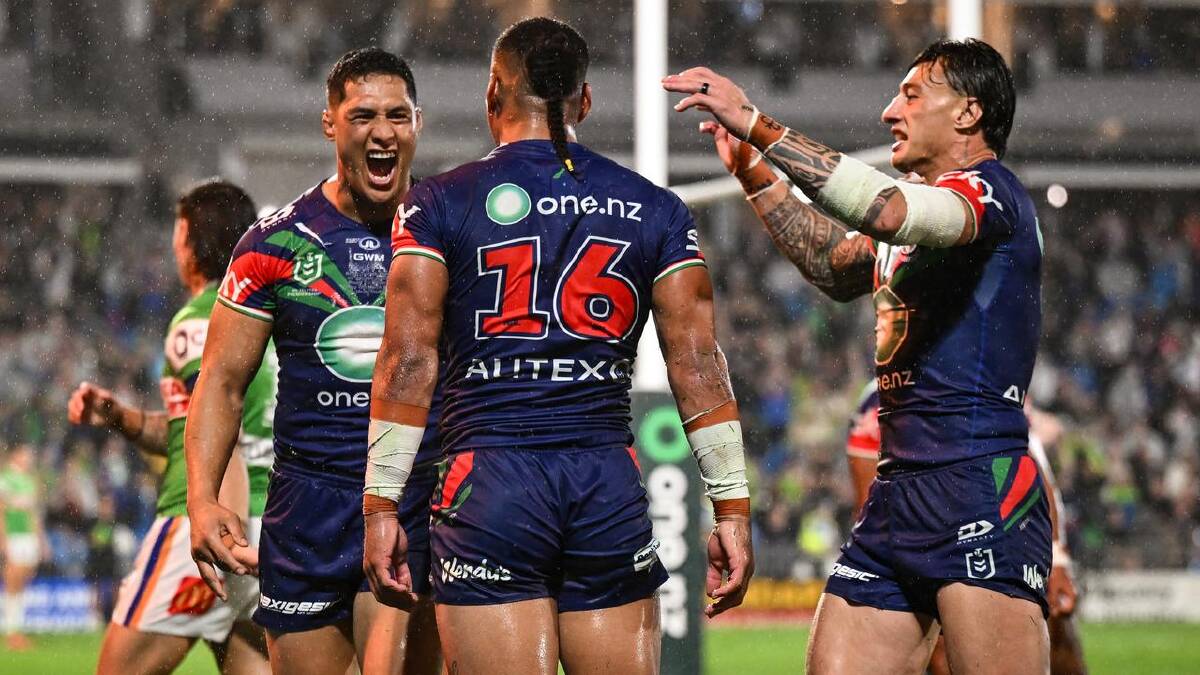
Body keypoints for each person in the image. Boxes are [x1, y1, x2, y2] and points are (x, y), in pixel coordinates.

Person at [364, 17, 754, 675]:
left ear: (494, 97)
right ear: (586, 100)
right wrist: (733, 508)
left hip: (490, 481)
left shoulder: (437, 203)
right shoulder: (654, 208)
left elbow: (408, 360)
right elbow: (698, 364)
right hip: (603, 478)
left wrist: (381, 504)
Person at [666, 38, 1051, 673]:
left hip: (979, 484)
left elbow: (890, 210)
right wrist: (754, 170)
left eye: (911, 94)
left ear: (968, 113)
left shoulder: (990, 195)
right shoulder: (921, 219)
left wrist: (757, 124)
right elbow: (832, 264)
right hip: (897, 491)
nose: (888, 112)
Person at [185, 48, 440, 675]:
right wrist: (201, 497)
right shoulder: (273, 243)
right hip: (308, 506)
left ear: (417, 124)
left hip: (414, 496)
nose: (382, 132)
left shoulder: (449, 230)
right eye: (363, 116)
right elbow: (219, 381)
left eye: (397, 115)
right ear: (330, 123)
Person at [68, 180, 271, 675]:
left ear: (193, 238)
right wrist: (124, 419)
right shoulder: (259, 312)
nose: (173, 246)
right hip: (265, 525)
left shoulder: (201, 319)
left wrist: (225, 525)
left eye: (179, 233)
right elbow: (193, 429)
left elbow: (225, 437)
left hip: (204, 522)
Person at [844, 386, 1089, 675]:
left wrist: (1056, 555)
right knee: (941, 650)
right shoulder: (878, 402)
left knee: (1055, 634)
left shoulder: (981, 377)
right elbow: (867, 501)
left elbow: (1032, 465)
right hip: (921, 540)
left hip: (993, 530)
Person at [0, 444, 46, 651]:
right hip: (14, 534)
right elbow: (1, 511)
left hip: (29, 537)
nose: (29, 458)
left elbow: (34, 514)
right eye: (26, 454)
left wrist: (41, 540)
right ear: (16, 455)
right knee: (12, 581)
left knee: (23, 581)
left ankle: (16, 629)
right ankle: (11, 632)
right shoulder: (5, 478)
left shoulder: (29, 481)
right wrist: (3, 540)